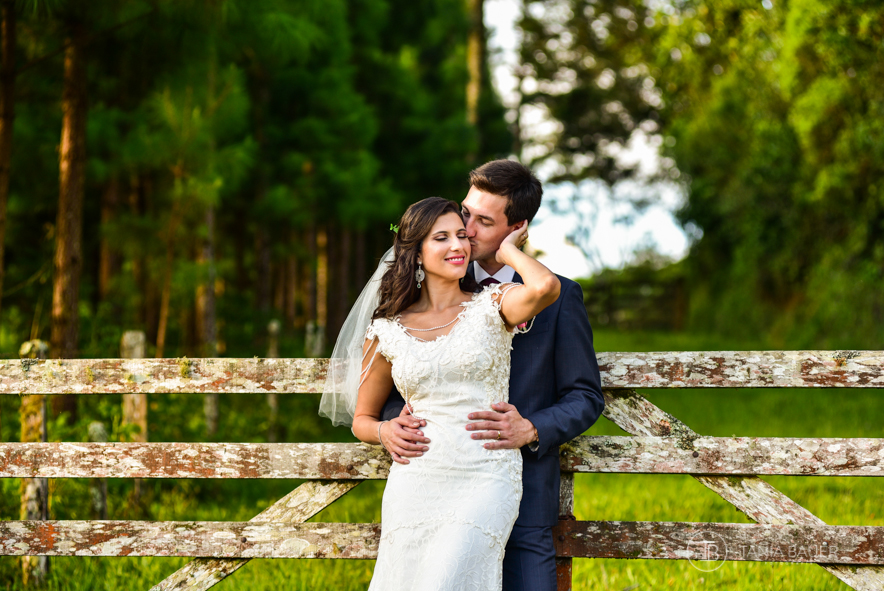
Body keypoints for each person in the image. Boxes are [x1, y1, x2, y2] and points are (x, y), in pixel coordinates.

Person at [380, 160, 605, 591]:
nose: (466, 229)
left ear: (517, 228)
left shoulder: (559, 297)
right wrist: (393, 424)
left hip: (522, 496)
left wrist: (532, 427)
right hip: (437, 486)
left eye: (484, 221)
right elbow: (402, 372)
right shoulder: (428, 285)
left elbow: (585, 395)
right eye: (466, 212)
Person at [320, 196, 561, 591]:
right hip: (417, 478)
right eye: (442, 238)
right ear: (415, 254)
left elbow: (546, 287)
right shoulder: (388, 329)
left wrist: (507, 251)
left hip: (485, 474)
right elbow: (362, 418)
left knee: (452, 577)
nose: (458, 246)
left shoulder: (493, 306)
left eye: (463, 236)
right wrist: (384, 432)